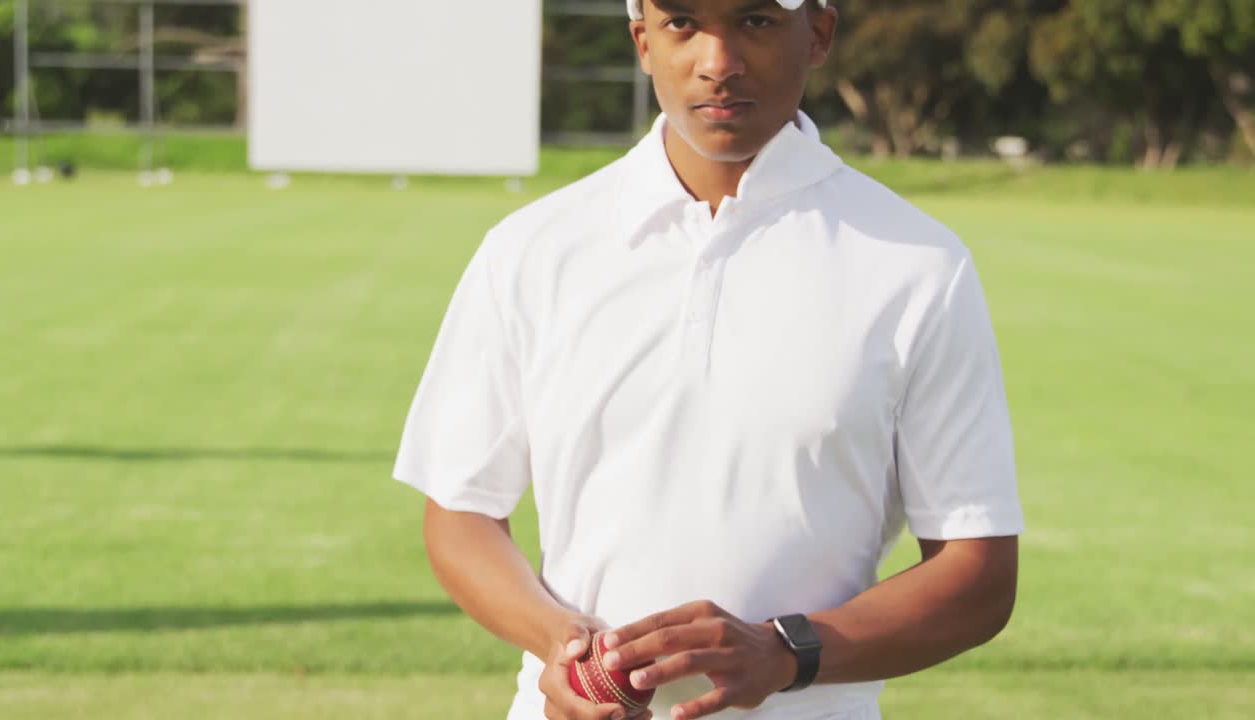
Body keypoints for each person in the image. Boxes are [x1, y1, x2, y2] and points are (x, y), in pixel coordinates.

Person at [394, 1, 1024, 718]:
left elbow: (977, 575)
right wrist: (561, 642)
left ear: (818, 33)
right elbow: (460, 512)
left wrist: (785, 652)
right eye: (683, 23)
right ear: (642, 41)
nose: (717, 63)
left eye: (755, 20)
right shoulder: (533, 250)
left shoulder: (915, 264)